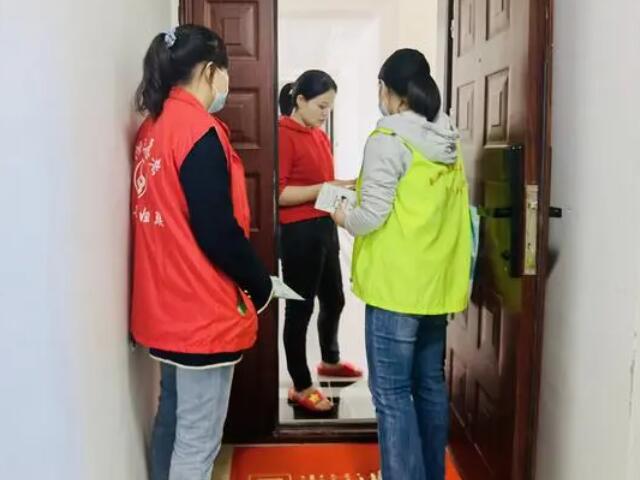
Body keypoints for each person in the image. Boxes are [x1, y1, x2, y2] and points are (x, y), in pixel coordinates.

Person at [130, 25, 273, 480]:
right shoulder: (198, 132)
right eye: (225, 72)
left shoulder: (153, 127)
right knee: (197, 443)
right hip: (199, 311)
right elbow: (217, 232)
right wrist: (260, 285)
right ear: (210, 71)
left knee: (171, 419)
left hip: (164, 306)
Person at [333, 49, 472, 479]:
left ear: (390, 91)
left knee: (392, 396)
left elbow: (371, 217)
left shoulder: (388, 140)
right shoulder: (447, 140)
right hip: (435, 285)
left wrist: (342, 215)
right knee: (429, 385)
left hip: (395, 288)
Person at [278, 71, 362, 414]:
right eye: (321, 106)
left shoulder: (319, 135)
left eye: (330, 107)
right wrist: (326, 188)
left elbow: (322, 185)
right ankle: (301, 385)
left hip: (324, 227)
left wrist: (345, 188)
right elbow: (280, 194)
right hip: (298, 234)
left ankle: (330, 361)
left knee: (335, 299)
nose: (326, 113)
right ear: (300, 100)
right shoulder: (283, 135)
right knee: (300, 310)